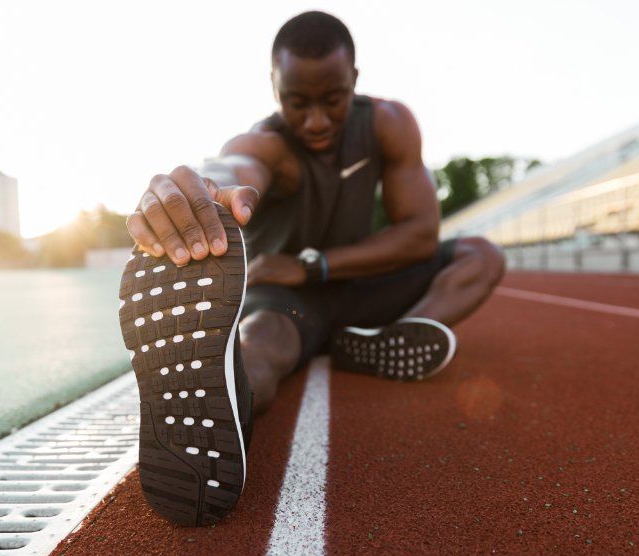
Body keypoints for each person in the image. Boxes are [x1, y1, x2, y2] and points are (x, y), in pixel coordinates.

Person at [120, 11, 505, 526]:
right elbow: (235, 164)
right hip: (285, 300)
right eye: (297, 102)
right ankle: (220, 409)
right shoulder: (269, 144)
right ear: (274, 87)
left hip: (355, 282)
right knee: (260, 341)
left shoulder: (389, 123)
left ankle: (385, 338)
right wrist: (203, 188)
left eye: (333, 99)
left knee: (481, 255)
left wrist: (314, 265)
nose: (317, 120)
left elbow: (419, 234)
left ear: (355, 82)